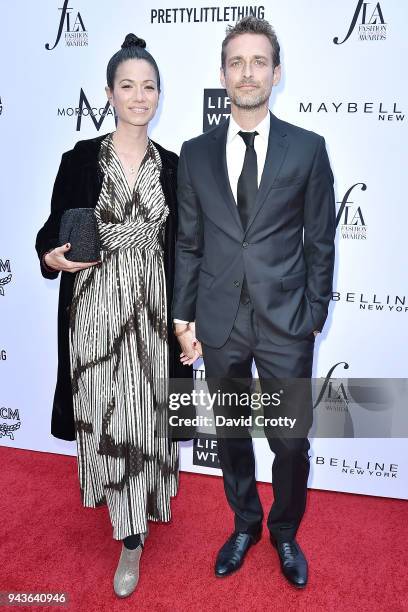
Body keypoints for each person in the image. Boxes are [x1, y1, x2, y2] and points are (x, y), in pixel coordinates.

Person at [173, 16, 336, 588]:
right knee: (233, 434)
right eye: (237, 62)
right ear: (223, 73)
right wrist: (182, 317)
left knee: (291, 441)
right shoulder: (193, 154)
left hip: (286, 321)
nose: (247, 72)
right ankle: (245, 522)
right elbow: (188, 242)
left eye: (259, 61)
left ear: (276, 72)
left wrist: (313, 315)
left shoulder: (308, 149)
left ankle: (285, 531)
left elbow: (320, 238)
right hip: (219, 323)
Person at [35, 33, 192, 598]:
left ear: (159, 95)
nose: (139, 96)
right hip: (94, 313)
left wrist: (188, 317)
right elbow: (52, 231)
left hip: (153, 310)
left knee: (144, 419)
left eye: (149, 86)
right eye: (127, 85)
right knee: (107, 420)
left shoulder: (175, 167)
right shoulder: (79, 159)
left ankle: (132, 535)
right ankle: (128, 527)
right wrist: (50, 255)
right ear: (109, 93)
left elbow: (188, 249)